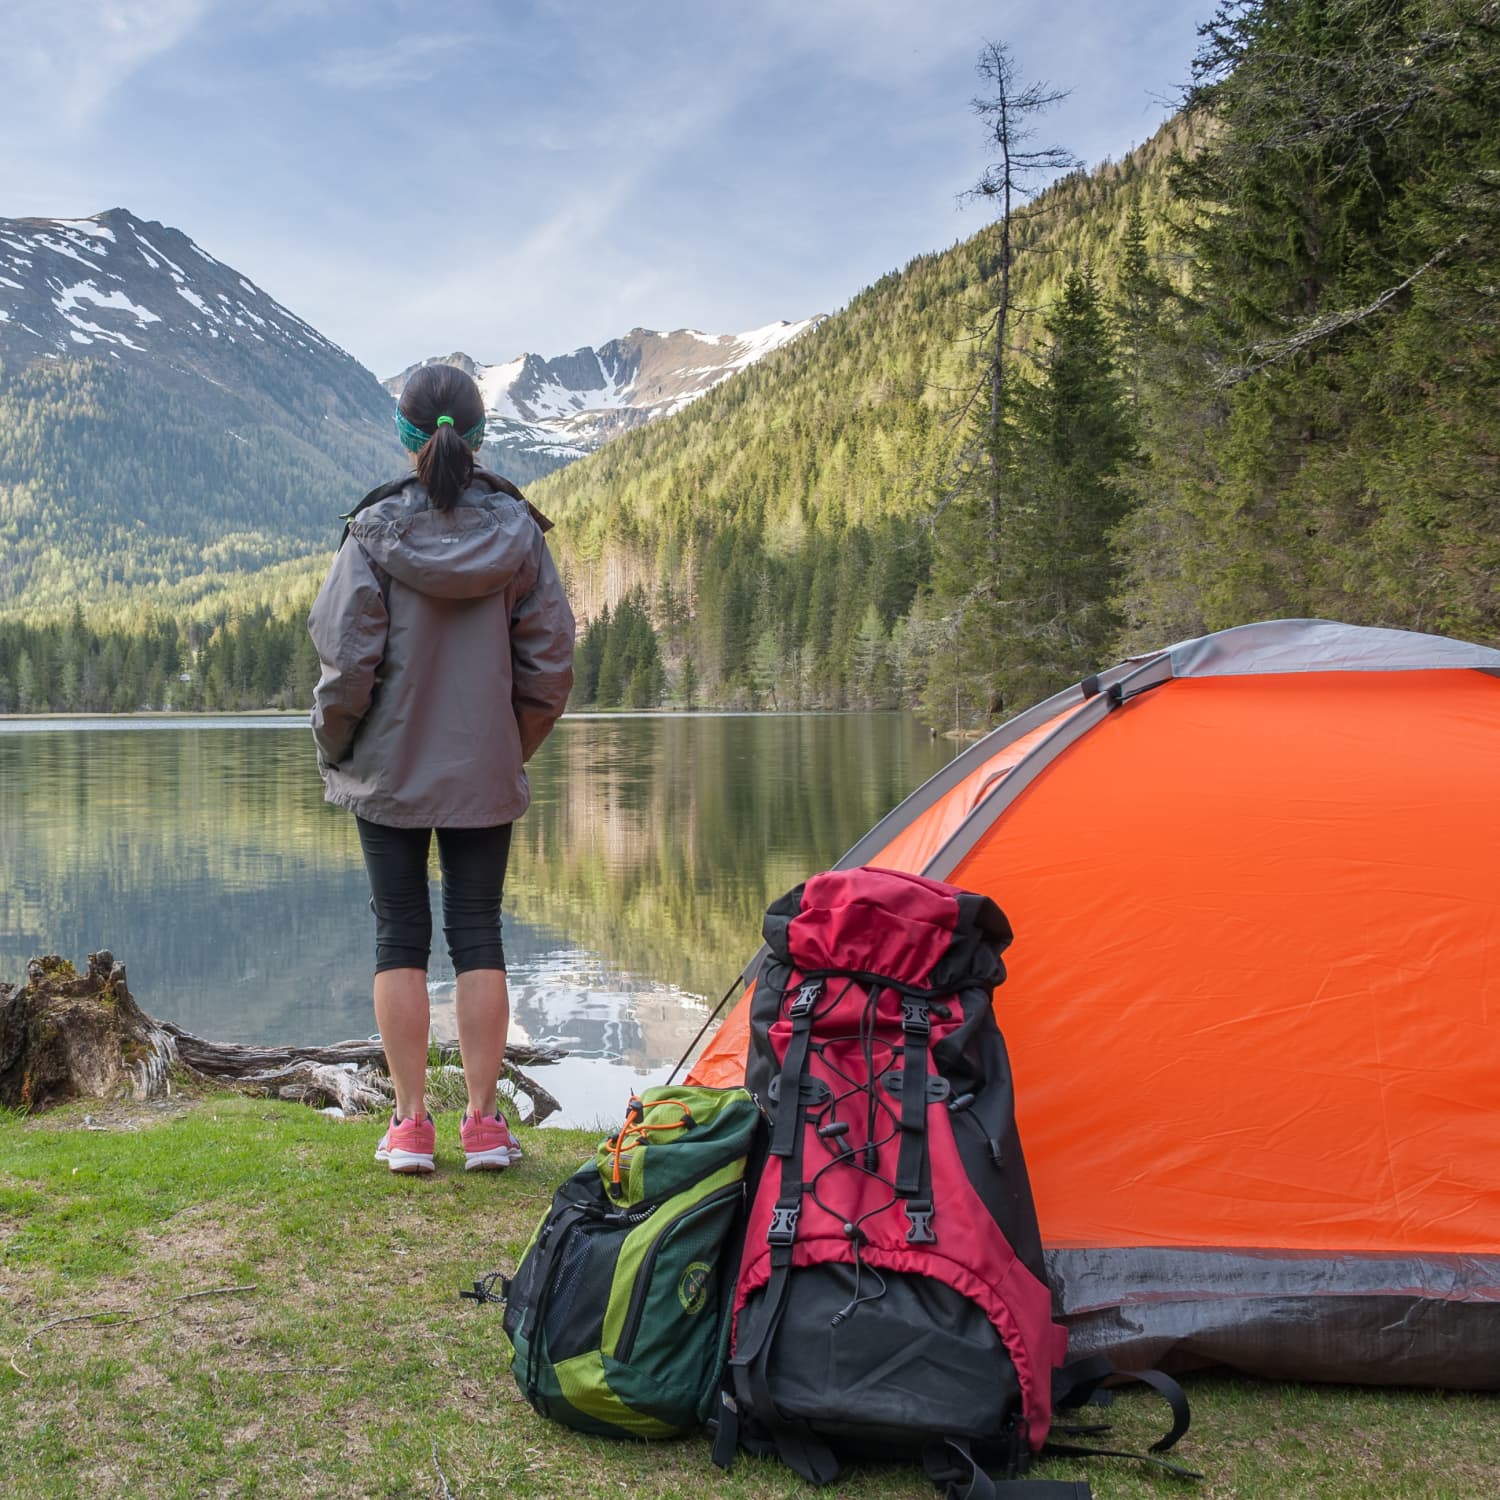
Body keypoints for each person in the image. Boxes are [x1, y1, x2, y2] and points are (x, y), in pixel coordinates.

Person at [307, 363, 574, 1174]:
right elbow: (550, 666)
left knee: (399, 937)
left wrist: (335, 740)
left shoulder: (374, 532)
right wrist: (506, 744)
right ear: (478, 432)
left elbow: (347, 663)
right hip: (483, 771)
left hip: (387, 771)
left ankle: (412, 1125)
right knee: (479, 933)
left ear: (405, 434)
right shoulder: (520, 533)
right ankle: (486, 1127)